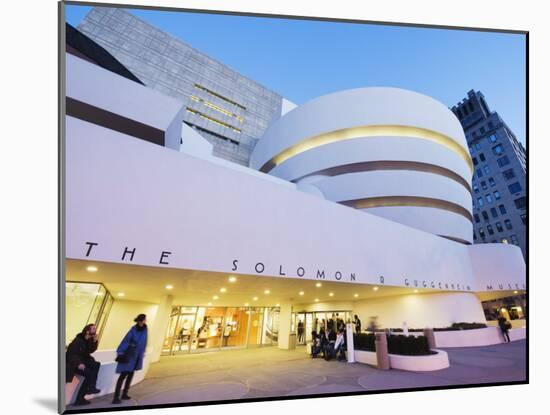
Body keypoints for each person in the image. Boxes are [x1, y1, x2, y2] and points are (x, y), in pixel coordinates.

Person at [112, 314, 148, 404]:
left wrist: (142, 353)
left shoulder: (145, 330)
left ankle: (124, 394)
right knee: (123, 375)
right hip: (129, 354)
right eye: (144, 320)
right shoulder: (133, 330)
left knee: (130, 374)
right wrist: (120, 352)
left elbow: (144, 342)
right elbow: (126, 340)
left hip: (137, 355)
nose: (145, 321)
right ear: (140, 321)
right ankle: (116, 397)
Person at [66, 324, 101, 406]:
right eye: (93, 329)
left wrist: (95, 341)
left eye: (95, 329)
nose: (95, 331)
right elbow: (71, 354)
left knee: (96, 364)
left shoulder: (88, 339)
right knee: (89, 374)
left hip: (82, 361)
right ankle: (80, 399)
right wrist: (79, 363)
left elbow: (91, 351)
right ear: (87, 331)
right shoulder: (78, 340)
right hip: (73, 364)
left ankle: (91, 387)